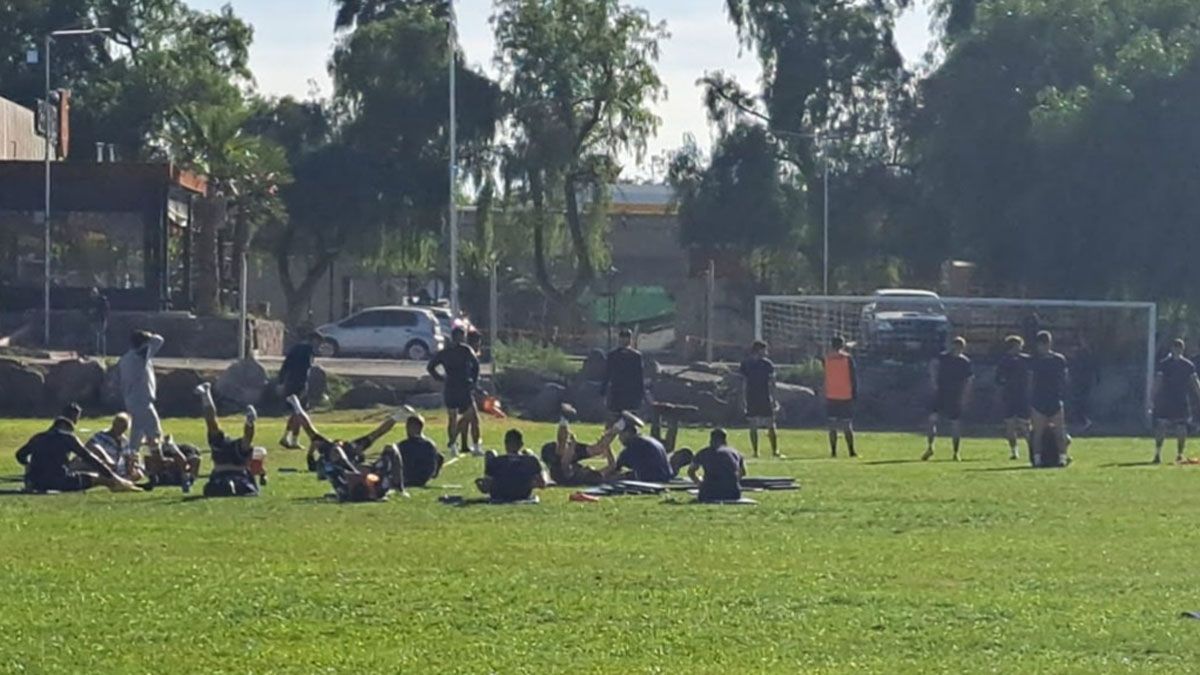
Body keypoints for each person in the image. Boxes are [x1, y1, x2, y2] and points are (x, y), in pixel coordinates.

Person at [286, 394, 406, 500]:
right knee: (374, 436)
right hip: (348, 454)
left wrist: (296, 406)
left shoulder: (331, 453)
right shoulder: (348, 455)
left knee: (313, 433)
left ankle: (295, 404)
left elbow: (308, 427)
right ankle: (398, 416)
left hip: (343, 456)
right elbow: (378, 433)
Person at [15, 404, 140, 493]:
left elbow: (20, 455)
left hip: (37, 482)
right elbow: (90, 458)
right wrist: (112, 475)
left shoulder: (38, 437)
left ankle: (120, 483)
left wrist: (29, 467)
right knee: (100, 478)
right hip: (60, 481)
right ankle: (119, 485)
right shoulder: (68, 438)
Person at [195, 383, 263, 497]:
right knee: (213, 426)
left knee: (213, 427)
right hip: (229, 472)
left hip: (234, 472)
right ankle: (206, 394)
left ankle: (249, 422)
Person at [427, 326, 481, 457]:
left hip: (451, 387)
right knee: (471, 417)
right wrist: (473, 381)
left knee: (455, 418)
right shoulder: (465, 350)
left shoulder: (446, 352)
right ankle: (471, 446)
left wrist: (440, 378)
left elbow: (431, 367)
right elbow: (476, 365)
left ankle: (455, 445)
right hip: (461, 387)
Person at [539, 404, 618, 487]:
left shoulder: (568, 475)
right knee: (598, 449)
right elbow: (612, 465)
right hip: (569, 455)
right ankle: (621, 424)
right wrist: (607, 447)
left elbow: (565, 461)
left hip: (551, 453)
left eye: (588, 469)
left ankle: (564, 418)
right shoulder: (594, 475)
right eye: (590, 468)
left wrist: (572, 445)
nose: (588, 467)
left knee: (561, 450)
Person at [922, 336, 974, 461]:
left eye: (960, 347)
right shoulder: (943, 357)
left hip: (955, 395)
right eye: (955, 346)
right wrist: (934, 382)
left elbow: (969, 379)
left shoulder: (964, 362)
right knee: (932, 420)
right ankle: (930, 447)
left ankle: (956, 452)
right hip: (940, 393)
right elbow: (932, 365)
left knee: (955, 424)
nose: (957, 349)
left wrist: (965, 395)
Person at [604, 412, 693, 483]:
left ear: (628, 433)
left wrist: (606, 446)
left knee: (611, 478)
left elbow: (614, 468)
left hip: (651, 478)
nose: (619, 439)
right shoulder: (646, 440)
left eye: (620, 435)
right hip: (663, 476)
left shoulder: (633, 445)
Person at [1152, 338, 1200, 465]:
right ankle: (1157, 453)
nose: (1177, 350)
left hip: (1181, 400)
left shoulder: (1188, 365)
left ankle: (1179, 454)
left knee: (1182, 428)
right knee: (1161, 426)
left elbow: (1195, 382)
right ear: (1171, 349)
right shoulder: (1164, 364)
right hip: (1166, 400)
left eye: (1179, 348)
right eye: (1175, 348)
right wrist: (1153, 397)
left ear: (1182, 350)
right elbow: (1158, 382)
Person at [115, 330, 165, 451]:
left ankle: (129, 457)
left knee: (137, 434)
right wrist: (149, 336)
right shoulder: (141, 354)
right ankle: (157, 459)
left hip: (130, 398)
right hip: (142, 400)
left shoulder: (124, 359)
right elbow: (159, 340)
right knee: (155, 432)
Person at [1029, 331, 1070, 467]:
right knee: (1038, 433)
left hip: (1054, 399)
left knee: (1060, 432)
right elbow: (1030, 380)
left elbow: (1064, 379)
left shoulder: (1059, 360)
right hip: (1039, 400)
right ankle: (1037, 460)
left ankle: (1062, 459)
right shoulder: (1034, 360)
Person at [476, 429, 547, 503]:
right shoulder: (530, 460)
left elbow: (485, 489)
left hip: (499, 495)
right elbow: (542, 484)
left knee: (490, 453)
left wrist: (479, 483)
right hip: (522, 494)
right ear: (521, 444)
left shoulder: (496, 461)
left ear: (505, 444)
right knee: (528, 452)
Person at [278, 332, 321, 449]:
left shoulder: (295, 348)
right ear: (313, 340)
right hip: (299, 383)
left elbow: (285, 364)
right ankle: (293, 440)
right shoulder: (308, 350)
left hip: (290, 382)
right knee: (299, 412)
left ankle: (286, 437)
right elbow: (305, 368)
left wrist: (281, 381)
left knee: (295, 412)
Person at [739, 340, 781, 459]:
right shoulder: (746, 364)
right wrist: (743, 399)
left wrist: (774, 399)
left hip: (765, 396)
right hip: (752, 396)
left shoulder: (767, 364)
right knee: (753, 425)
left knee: (770, 424)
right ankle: (756, 451)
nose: (766, 352)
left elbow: (772, 383)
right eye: (764, 350)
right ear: (759, 350)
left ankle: (775, 450)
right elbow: (743, 382)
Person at [995, 335, 1032, 461]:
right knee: (1010, 425)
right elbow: (999, 380)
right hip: (1010, 396)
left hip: (1022, 396)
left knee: (1025, 425)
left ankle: (1032, 449)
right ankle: (1014, 450)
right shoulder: (1004, 361)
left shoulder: (1026, 360)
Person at [688, 429, 747, 502]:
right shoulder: (735, 453)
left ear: (711, 439)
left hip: (709, 493)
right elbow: (743, 472)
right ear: (725, 440)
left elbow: (691, 472)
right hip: (733, 493)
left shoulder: (703, 452)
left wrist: (699, 483)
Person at [824, 336, 858, 459]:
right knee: (847, 424)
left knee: (832, 425)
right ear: (842, 345)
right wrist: (855, 393)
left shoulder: (827, 358)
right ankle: (851, 451)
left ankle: (833, 451)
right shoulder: (847, 358)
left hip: (831, 394)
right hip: (845, 395)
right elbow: (853, 376)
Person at [83, 412, 144, 481]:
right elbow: (88, 447)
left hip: (119, 469)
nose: (121, 430)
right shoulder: (101, 436)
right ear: (114, 424)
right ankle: (117, 481)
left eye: (124, 427)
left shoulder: (125, 442)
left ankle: (121, 481)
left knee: (139, 473)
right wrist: (105, 458)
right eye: (119, 426)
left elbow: (127, 460)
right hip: (104, 466)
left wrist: (132, 462)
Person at [602, 328, 646, 424]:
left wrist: (641, 394)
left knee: (627, 421)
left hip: (628, 394)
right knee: (614, 420)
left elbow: (639, 377)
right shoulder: (613, 355)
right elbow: (607, 375)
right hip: (618, 393)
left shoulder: (635, 356)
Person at [394, 413, 445, 488]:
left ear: (415, 428)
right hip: (425, 478)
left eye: (408, 427)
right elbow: (440, 457)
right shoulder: (430, 444)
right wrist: (435, 473)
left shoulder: (405, 445)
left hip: (411, 478)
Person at [1070, 337, 1099, 431]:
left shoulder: (1085, 354)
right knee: (1080, 401)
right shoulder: (1086, 354)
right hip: (1081, 381)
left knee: (1081, 402)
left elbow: (1092, 368)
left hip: (1083, 382)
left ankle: (1084, 420)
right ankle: (1082, 420)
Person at [87, 287, 109, 357]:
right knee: (94, 336)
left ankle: (103, 353)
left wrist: (97, 312)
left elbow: (105, 310)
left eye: (94, 293)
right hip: (93, 320)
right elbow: (86, 309)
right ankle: (95, 352)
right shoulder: (90, 301)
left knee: (101, 336)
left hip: (101, 320)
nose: (92, 295)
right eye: (91, 293)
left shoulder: (102, 300)